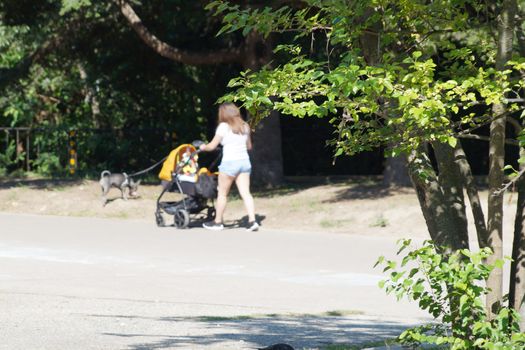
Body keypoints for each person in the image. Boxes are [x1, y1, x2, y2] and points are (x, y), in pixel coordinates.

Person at [199, 103, 259, 231]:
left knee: (222, 194)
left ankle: (218, 222)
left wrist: (203, 147)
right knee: (246, 193)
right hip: (244, 162)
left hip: (229, 163)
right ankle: (252, 221)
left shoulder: (223, 127)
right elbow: (249, 146)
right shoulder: (245, 126)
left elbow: (212, 146)